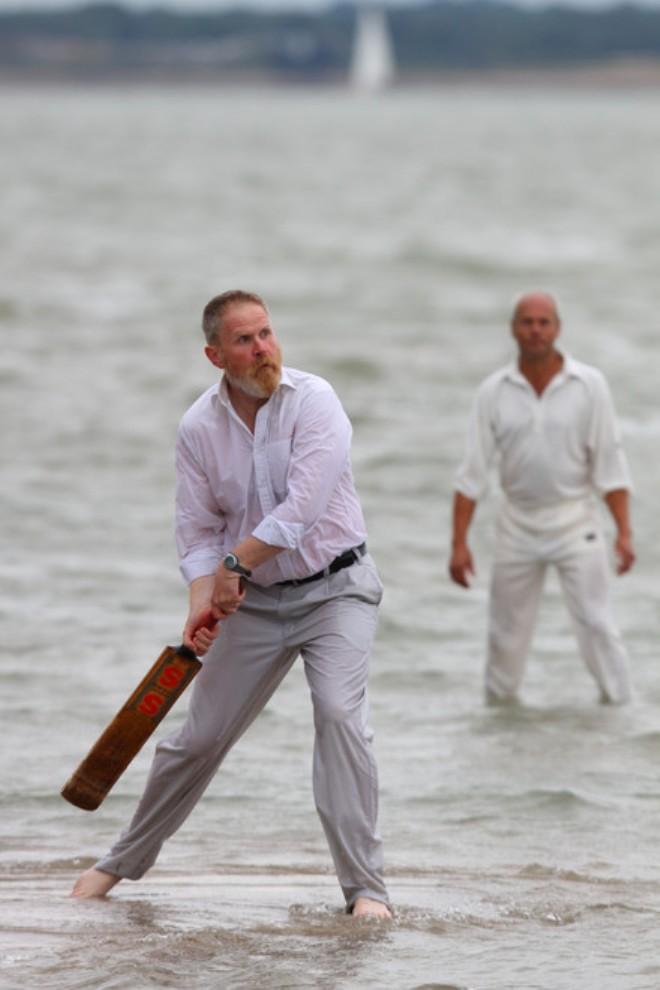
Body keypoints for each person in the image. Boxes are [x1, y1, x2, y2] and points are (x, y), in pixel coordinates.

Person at [71, 290, 392, 918]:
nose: (263, 348)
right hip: (256, 604)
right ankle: (120, 863)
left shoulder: (316, 401)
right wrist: (203, 603)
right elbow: (197, 531)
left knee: (338, 717)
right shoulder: (198, 427)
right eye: (245, 340)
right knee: (199, 738)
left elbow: (300, 510)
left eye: (267, 333)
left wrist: (232, 566)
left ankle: (366, 891)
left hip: (338, 591)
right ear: (215, 354)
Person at [449, 291, 634, 705]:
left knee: (597, 624)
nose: (535, 330)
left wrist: (624, 533)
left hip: (576, 520)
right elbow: (471, 475)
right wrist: (459, 545)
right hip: (517, 523)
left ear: (557, 328)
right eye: (527, 322)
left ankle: (622, 713)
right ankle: (499, 723)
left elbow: (610, 465)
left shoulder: (589, 385)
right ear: (514, 329)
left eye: (543, 322)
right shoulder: (494, 391)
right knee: (505, 635)